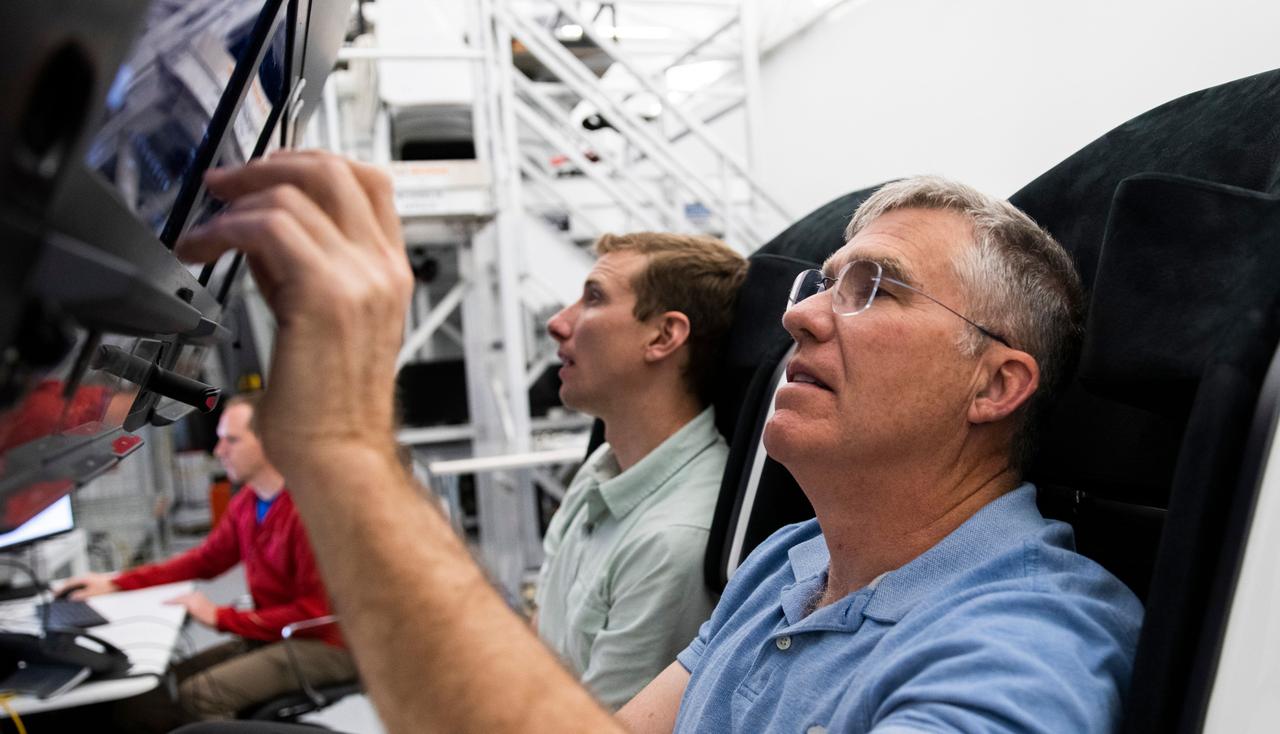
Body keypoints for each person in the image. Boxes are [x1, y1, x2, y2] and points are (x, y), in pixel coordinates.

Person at [170, 152, 1141, 734]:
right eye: (819, 283)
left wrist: (341, 446)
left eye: (873, 289)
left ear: (995, 382)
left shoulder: (1023, 648)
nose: (801, 319)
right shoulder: (790, 560)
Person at [536, 232, 746, 708]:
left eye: (593, 298)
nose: (558, 323)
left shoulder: (674, 538)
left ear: (663, 336)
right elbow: (538, 638)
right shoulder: (602, 467)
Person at [61, 392, 355, 728]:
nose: (219, 452)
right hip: (276, 635)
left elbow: (313, 613)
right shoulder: (248, 502)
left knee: (200, 695)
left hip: (326, 646)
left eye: (231, 441)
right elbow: (205, 561)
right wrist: (115, 583)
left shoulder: (310, 511)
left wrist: (220, 617)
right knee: (156, 690)